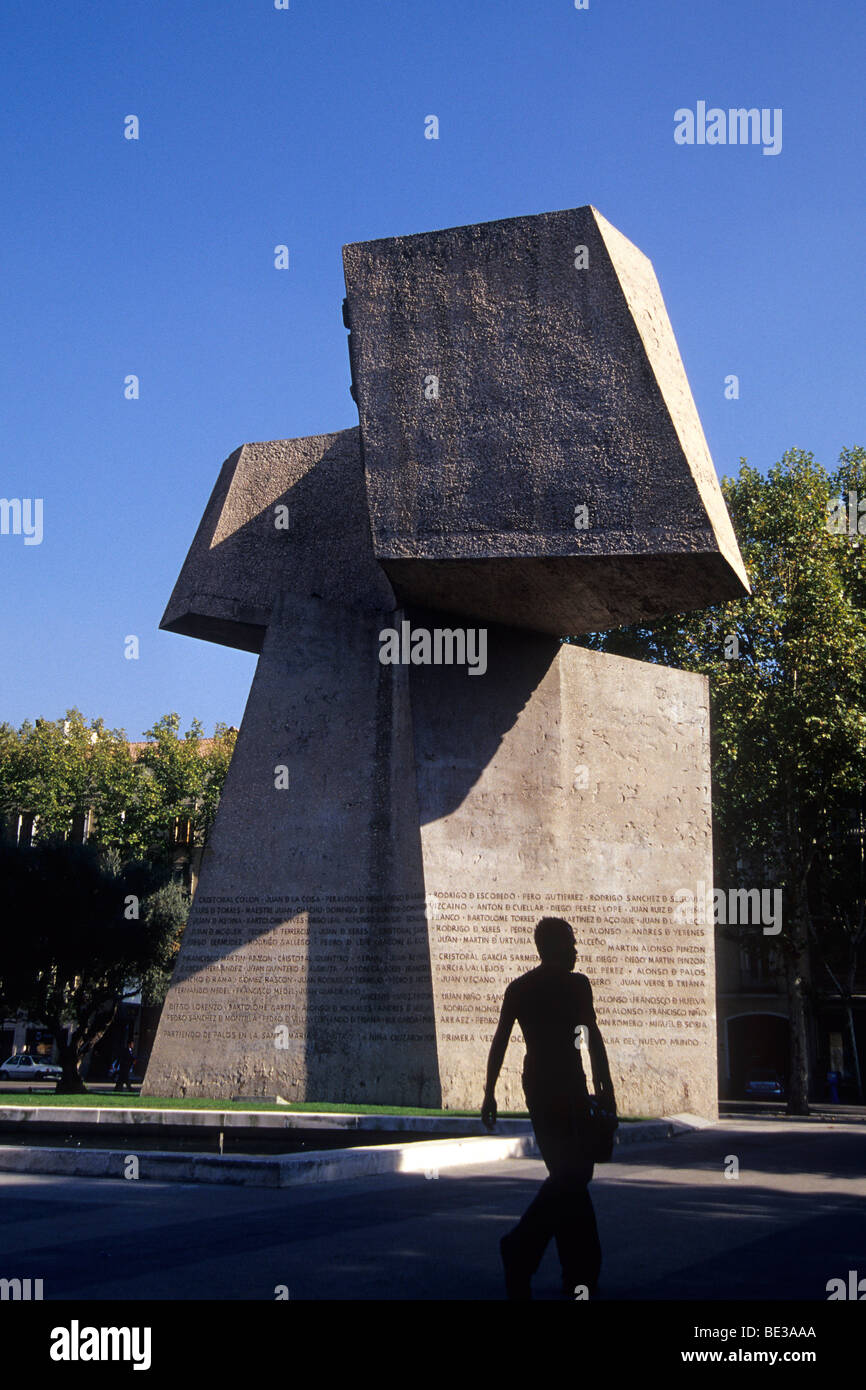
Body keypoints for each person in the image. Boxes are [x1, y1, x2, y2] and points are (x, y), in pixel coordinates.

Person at [482, 916, 616, 1299]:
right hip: (568, 1088)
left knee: (568, 1177)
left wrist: (490, 1092)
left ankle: (576, 1272)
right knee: (573, 1175)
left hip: (538, 1087)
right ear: (555, 946)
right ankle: (529, 1250)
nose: (577, 949)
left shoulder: (520, 987)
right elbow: (592, 1037)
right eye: (571, 943)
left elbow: (501, 1042)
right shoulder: (577, 986)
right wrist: (605, 1089)